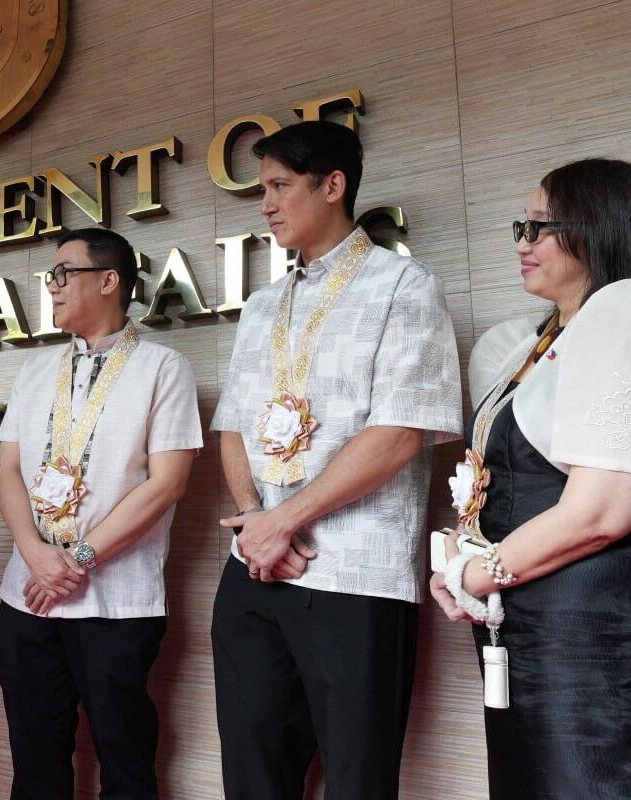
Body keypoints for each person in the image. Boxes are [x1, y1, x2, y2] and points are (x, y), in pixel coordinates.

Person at [210, 120, 463, 799]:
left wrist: (281, 521)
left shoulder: (404, 286)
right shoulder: (262, 305)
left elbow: (399, 433)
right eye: (261, 188)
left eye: (279, 186)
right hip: (254, 573)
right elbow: (233, 426)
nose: (265, 203)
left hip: (355, 576)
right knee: (252, 777)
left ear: (332, 185)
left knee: (356, 780)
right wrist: (252, 520)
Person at [431, 158, 631, 798]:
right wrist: (464, 562)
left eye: (543, 226)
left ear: (601, 227)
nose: (524, 242)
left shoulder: (620, 309)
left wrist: (473, 575)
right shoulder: (536, 339)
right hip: (524, 616)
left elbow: (602, 513)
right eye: (524, 224)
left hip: (588, 622)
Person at [0, 228, 202, 799]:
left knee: (126, 759)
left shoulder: (164, 368)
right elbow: (8, 471)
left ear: (109, 281)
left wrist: (79, 558)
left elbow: (167, 484)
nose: (53, 288)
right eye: (51, 277)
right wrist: (37, 556)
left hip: (118, 602)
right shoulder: (35, 371)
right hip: (27, 596)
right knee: (35, 762)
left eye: (64, 274)